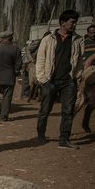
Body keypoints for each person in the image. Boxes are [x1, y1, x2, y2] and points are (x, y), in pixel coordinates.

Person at [35, 9, 85, 149]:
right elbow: (41, 59)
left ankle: (64, 139)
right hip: (50, 80)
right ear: (62, 22)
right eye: (72, 22)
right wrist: (43, 80)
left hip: (68, 81)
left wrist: (77, 75)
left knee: (68, 111)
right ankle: (40, 135)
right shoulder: (48, 39)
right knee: (45, 110)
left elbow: (80, 60)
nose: (74, 25)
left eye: (75, 22)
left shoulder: (78, 39)